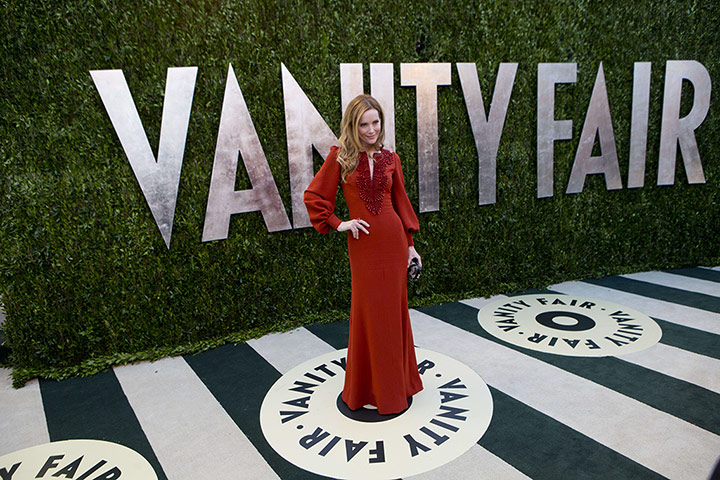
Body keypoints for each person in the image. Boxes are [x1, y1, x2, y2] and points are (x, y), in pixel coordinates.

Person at [304, 94, 423, 415]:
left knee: (394, 313)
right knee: (369, 313)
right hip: (364, 248)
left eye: (376, 122)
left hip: (394, 243)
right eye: (364, 123)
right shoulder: (340, 157)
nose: (371, 130)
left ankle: (396, 388)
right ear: (352, 125)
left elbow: (401, 203)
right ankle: (366, 388)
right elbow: (314, 196)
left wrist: (411, 246)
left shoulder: (391, 159)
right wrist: (338, 223)